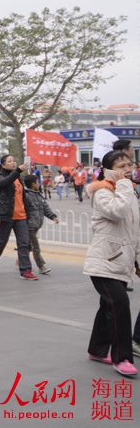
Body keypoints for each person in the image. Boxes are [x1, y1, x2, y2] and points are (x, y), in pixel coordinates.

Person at [83, 150, 140, 377]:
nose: (127, 169)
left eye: (129, 164)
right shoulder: (103, 192)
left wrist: (137, 261)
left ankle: (97, 350)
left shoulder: (129, 193)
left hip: (121, 262)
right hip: (103, 262)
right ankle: (122, 358)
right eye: (121, 166)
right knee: (119, 305)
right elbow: (118, 211)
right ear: (108, 170)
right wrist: (125, 185)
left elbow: (135, 231)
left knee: (109, 306)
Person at [0, 155, 37, 280]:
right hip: (6, 216)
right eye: (9, 161)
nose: (13, 163)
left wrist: (29, 211)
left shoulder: (17, 177)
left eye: (14, 161)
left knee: (24, 243)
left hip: (21, 216)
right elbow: (4, 183)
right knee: (2, 242)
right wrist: (18, 170)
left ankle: (25, 270)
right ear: (3, 164)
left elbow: (22, 195)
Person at [23, 174, 58, 275]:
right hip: (29, 225)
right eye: (38, 182)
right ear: (33, 184)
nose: (39, 183)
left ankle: (21, 258)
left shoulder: (38, 195)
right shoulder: (26, 196)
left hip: (36, 225)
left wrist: (53, 216)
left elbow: (45, 207)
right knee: (35, 247)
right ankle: (41, 266)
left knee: (28, 245)